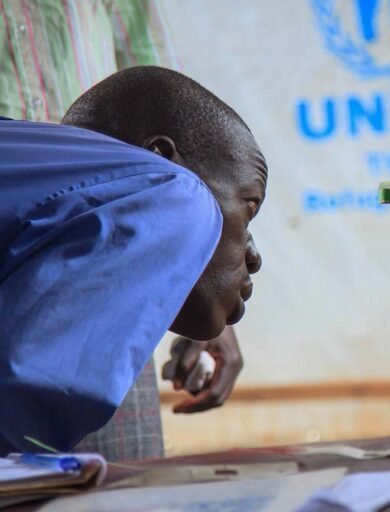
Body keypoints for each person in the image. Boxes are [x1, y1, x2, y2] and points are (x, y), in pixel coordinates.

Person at [0, 65, 266, 455]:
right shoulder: (173, 189)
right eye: (249, 208)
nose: (254, 255)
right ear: (159, 158)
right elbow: (18, 435)